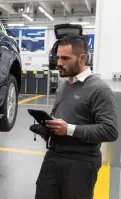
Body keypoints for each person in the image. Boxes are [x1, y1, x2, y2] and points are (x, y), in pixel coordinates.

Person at [34, 34, 119, 199]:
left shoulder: (99, 89)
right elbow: (59, 116)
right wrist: (48, 129)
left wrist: (68, 130)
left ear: (82, 58)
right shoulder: (64, 86)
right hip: (53, 156)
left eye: (65, 58)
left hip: (81, 163)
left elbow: (110, 130)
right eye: (58, 57)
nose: (59, 63)